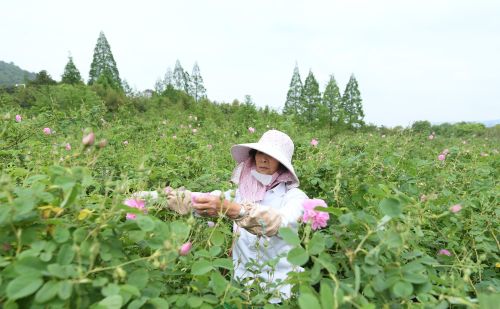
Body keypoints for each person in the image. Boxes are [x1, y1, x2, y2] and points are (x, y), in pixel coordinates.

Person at [138, 130, 308, 303]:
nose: (263, 159)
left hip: (279, 293)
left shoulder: (295, 197)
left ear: (282, 164)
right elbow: (198, 199)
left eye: (271, 156)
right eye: (260, 153)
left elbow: (281, 223)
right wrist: (141, 197)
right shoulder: (241, 193)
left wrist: (234, 210)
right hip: (240, 289)